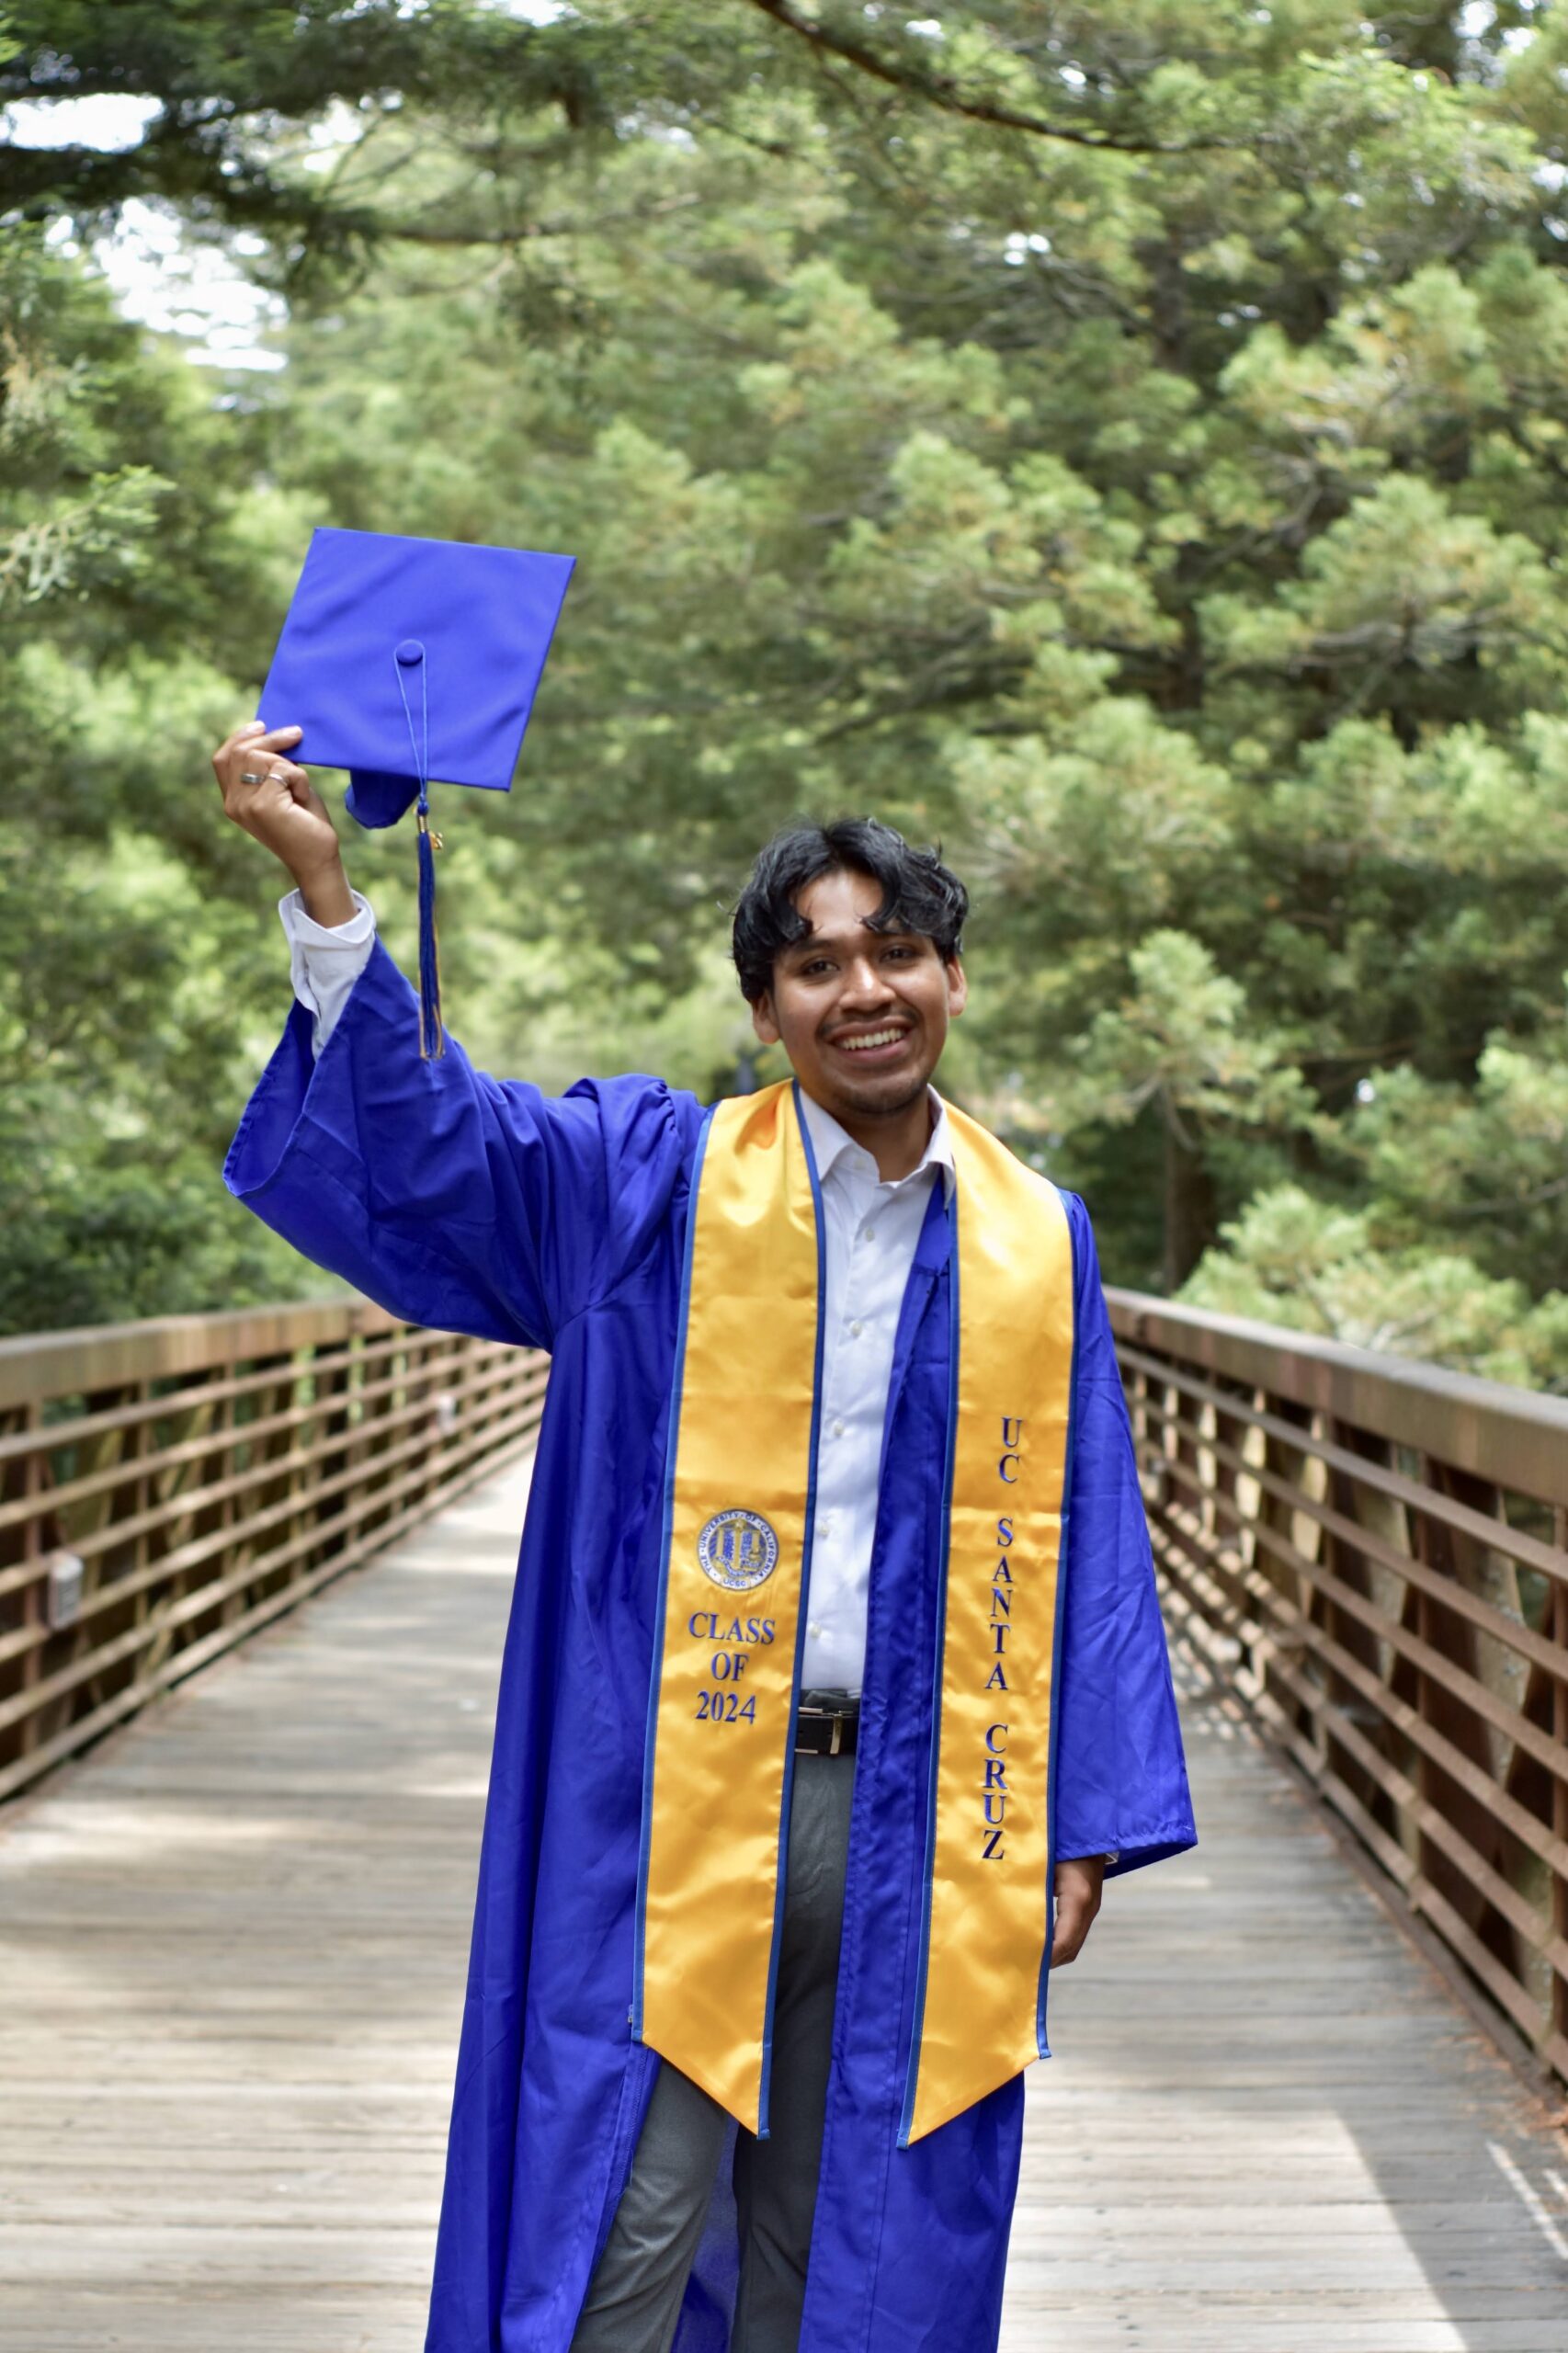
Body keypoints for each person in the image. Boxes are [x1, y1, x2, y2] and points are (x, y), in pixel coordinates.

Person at [214, 717, 1197, 2353]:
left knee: (845, 2241)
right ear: (765, 1010)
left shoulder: (1036, 1236)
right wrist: (327, 898)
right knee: (628, 2222)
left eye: (896, 950)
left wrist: (1079, 1823)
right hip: (676, 1800)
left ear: (951, 976)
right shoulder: (649, 1184)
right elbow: (443, 1143)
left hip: (933, 1814)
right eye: (814, 967)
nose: (861, 988)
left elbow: (1084, 1529)